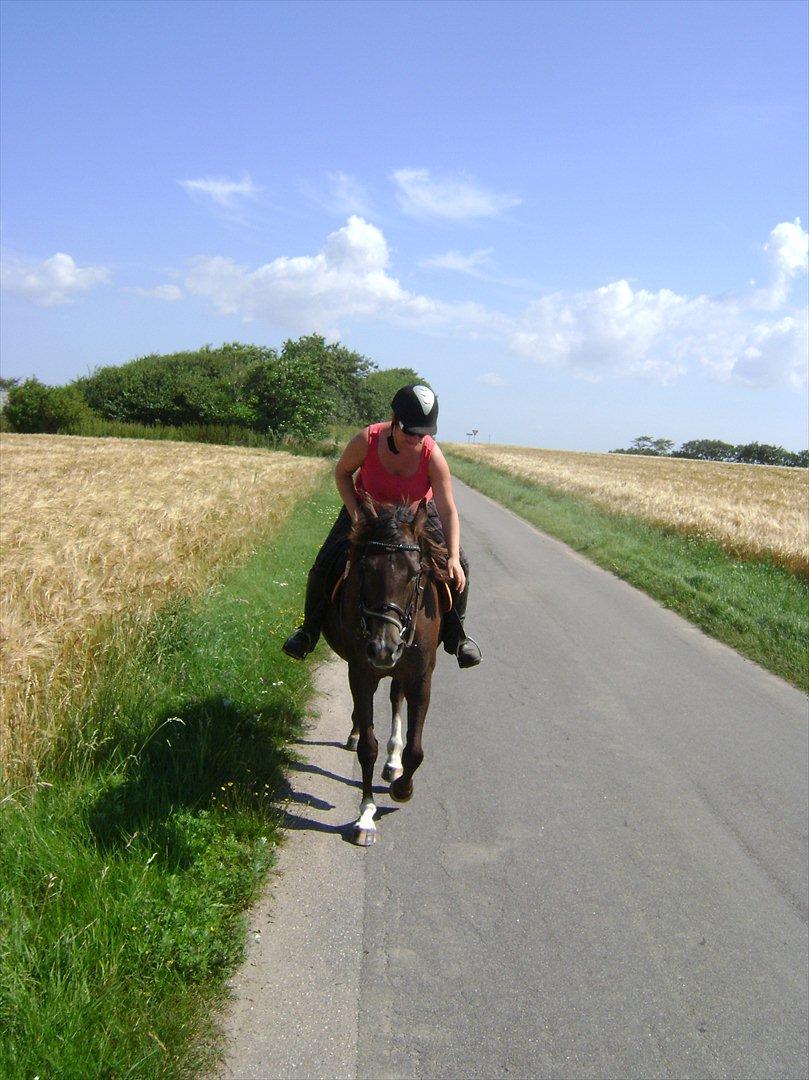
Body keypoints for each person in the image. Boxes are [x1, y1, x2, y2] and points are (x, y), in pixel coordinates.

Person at [282, 384, 482, 668]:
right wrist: (356, 515)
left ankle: (457, 637)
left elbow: (448, 508)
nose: (416, 439)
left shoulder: (432, 456)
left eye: (422, 433)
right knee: (324, 562)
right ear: (394, 419)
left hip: (415, 517)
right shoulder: (368, 439)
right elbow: (342, 473)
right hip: (367, 512)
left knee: (461, 563)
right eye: (410, 431)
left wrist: (451, 556)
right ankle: (309, 631)